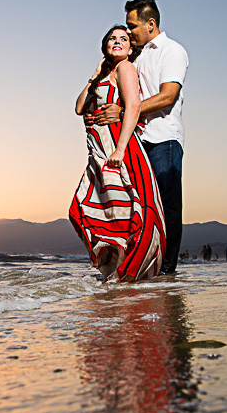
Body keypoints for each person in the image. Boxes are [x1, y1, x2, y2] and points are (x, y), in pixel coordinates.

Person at [84, 0, 188, 275]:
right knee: (138, 206)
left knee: (167, 206)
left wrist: (126, 110)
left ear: (150, 23)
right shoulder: (135, 56)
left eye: (132, 26)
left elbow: (168, 96)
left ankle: (167, 271)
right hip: (136, 141)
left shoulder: (172, 51)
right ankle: (139, 265)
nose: (128, 33)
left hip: (163, 138)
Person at [70, 26, 166, 280]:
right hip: (97, 151)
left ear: (130, 47)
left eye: (123, 38)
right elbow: (80, 107)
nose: (117, 41)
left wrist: (121, 148)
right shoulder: (103, 75)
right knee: (100, 208)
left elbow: (133, 106)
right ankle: (115, 273)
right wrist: (95, 73)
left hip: (117, 147)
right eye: (112, 38)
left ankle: (127, 273)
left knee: (124, 208)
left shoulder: (125, 68)